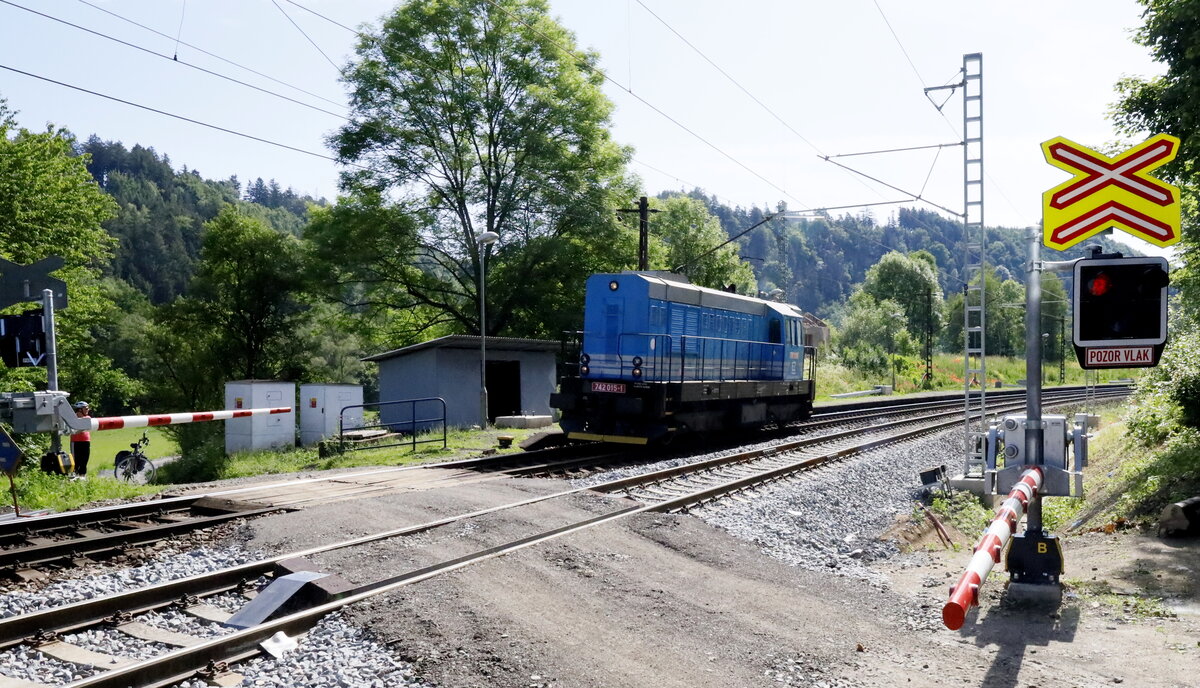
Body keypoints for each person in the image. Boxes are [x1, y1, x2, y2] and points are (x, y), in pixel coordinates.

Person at [70, 401, 92, 477]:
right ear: (80, 410)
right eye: (86, 409)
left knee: (84, 461)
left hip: (86, 441)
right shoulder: (72, 418)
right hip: (75, 442)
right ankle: (74, 476)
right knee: (76, 461)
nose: (88, 410)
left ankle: (82, 477)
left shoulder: (88, 418)